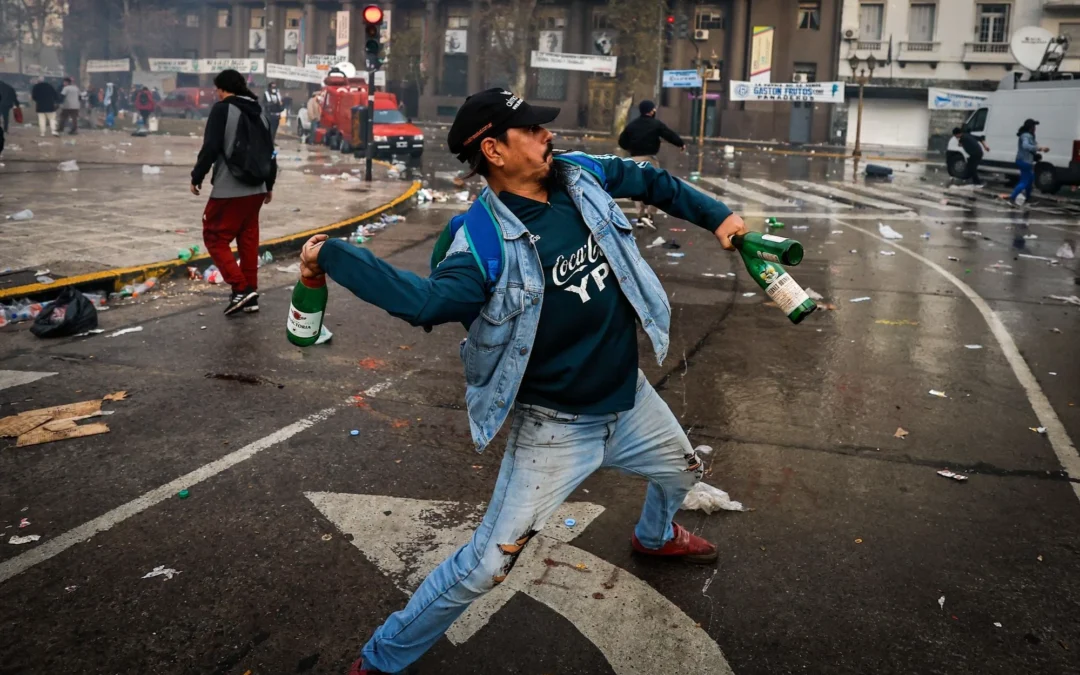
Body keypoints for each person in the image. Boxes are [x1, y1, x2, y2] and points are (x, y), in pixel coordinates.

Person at [296, 88, 746, 675]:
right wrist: (333, 256)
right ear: (494, 150)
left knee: (683, 471)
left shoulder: (578, 175)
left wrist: (719, 218)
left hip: (629, 397)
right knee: (487, 566)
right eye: (530, 130)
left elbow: (648, 179)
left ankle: (654, 537)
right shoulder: (478, 240)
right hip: (556, 428)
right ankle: (380, 660)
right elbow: (425, 302)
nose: (546, 136)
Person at [190, 69, 278, 316]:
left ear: (224, 89)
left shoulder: (223, 110)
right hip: (257, 189)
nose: (217, 95)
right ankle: (250, 295)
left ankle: (240, 289)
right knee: (248, 240)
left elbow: (210, 147)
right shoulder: (260, 113)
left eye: (218, 90)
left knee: (214, 237)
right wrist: (269, 185)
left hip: (230, 188)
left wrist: (197, 176)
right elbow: (271, 153)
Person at [617, 99, 686, 230]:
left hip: (635, 159)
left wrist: (631, 149)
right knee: (655, 188)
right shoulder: (656, 124)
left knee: (637, 188)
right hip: (649, 159)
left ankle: (640, 216)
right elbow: (669, 134)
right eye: (654, 109)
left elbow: (622, 141)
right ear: (651, 110)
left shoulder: (632, 125)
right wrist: (680, 143)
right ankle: (650, 215)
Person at [1007, 118, 1049, 206]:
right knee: (1024, 181)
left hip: (1025, 161)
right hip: (1024, 161)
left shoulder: (1029, 135)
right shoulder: (1026, 135)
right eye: (1034, 126)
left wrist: (1041, 148)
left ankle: (1028, 198)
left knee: (1030, 179)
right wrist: (1040, 149)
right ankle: (1012, 198)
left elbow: (1034, 144)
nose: (1035, 128)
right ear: (1031, 127)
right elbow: (1026, 145)